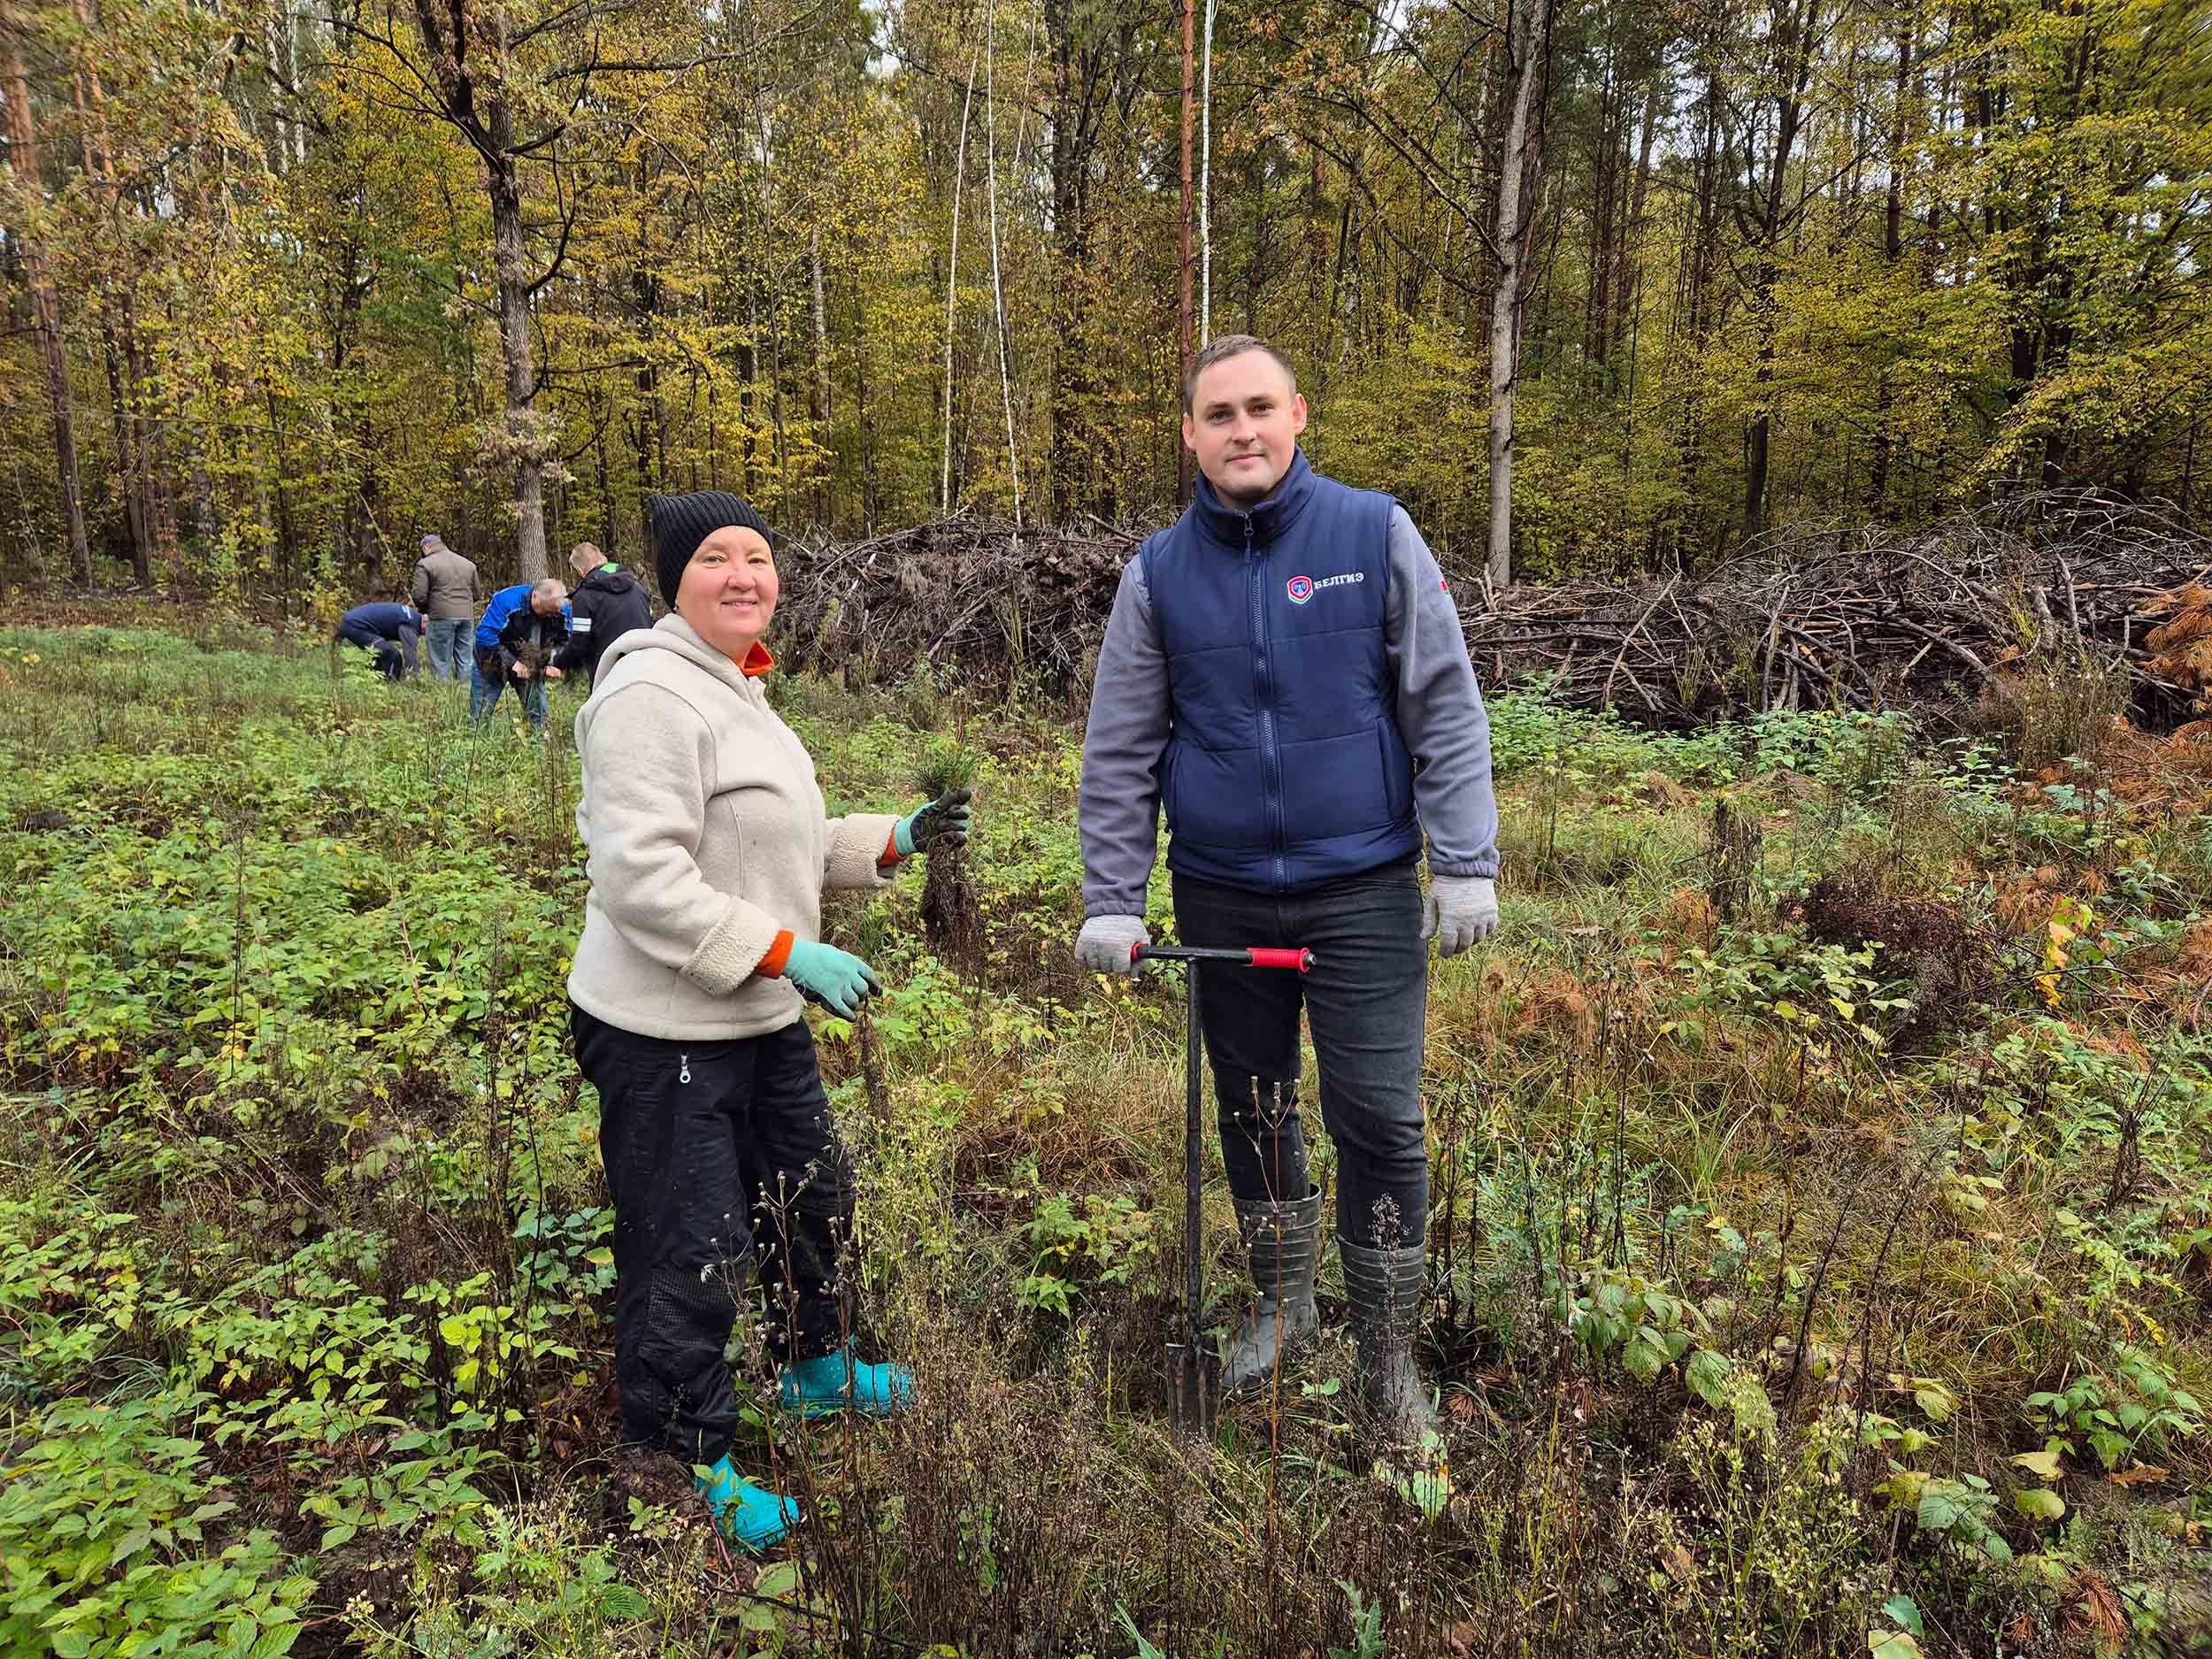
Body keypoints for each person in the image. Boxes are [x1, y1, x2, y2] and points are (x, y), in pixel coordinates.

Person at [1074, 334, 1501, 1452]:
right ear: (1190, 437)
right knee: (1252, 1109)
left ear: (1298, 415)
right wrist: (1114, 894)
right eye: (1218, 415)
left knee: (1378, 1118)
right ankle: (1283, 1302)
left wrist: (1462, 861)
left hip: (1359, 886)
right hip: (1219, 897)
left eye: (1260, 408)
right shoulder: (1159, 573)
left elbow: (1443, 705)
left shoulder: (1373, 533)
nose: (1242, 431)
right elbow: (1120, 747)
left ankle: (1388, 1356)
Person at [567, 488, 972, 1553]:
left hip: (756, 1019)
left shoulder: (740, 691)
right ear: (671, 579)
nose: (742, 574)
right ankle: (681, 1458)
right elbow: (640, 877)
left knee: (810, 1197)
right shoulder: (650, 694)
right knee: (687, 1246)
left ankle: (817, 1368)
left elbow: (771, 844)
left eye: (756, 555)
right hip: (665, 1032)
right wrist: (792, 952)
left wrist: (895, 838)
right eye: (714, 558)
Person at [471, 578, 571, 728]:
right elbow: (485, 635)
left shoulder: (562, 608)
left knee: (539, 718)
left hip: (530, 664)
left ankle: (540, 745)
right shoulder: (506, 601)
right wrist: (513, 663)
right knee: (480, 718)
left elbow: (565, 640)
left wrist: (555, 662)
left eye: (552, 613)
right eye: (544, 610)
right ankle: (475, 745)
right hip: (492, 660)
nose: (547, 616)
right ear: (535, 596)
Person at [552, 541, 654, 687]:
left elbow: (579, 643)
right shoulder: (638, 587)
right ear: (603, 558)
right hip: (645, 671)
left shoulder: (583, 597)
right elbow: (651, 625)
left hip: (607, 679)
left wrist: (557, 661)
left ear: (580, 570)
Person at [411, 534, 481, 681]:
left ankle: (443, 693)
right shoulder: (468, 564)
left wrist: (426, 609)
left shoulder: (425, 564)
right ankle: (466, 690)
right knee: (466, 658)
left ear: (426, 548)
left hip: (440, 617)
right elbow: (477, 594)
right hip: (467, 617)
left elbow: (419, 595)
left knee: (441, 660)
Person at [334, 600, 423, 680]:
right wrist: (416, 677)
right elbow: (410, 653)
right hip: (356, 625)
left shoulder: (411, 615)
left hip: (352, 621)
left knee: (382, 652)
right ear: (426, 621)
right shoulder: (411, 623)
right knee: (393, 655)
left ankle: (372, 678)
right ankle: (391, 684)